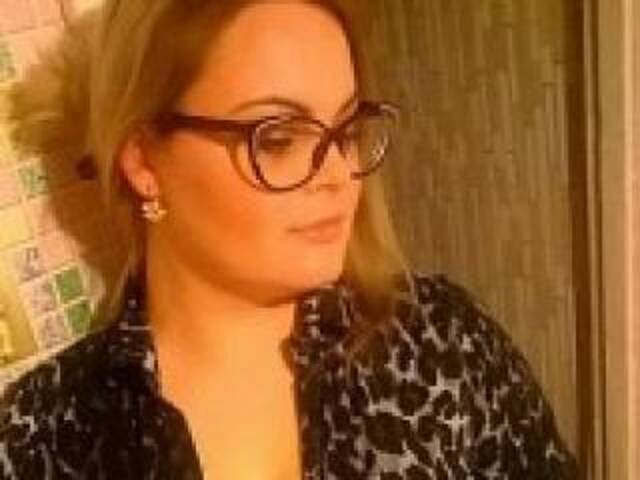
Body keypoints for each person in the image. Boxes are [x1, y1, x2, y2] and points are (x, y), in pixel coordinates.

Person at [0, 0, 578, 478]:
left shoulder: (444, 341)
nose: (339, 175)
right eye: (277, 138)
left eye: (345, 130)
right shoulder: (41, 440)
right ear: (144, 161)